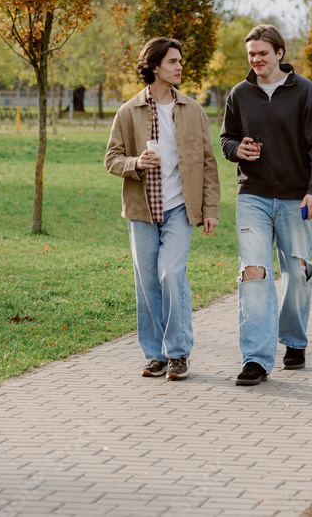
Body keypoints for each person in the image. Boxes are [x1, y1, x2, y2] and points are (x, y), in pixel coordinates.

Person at [220, 24, 312, 386]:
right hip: (252, 194)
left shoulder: (304, 91)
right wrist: (237, 149)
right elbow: (226, 138)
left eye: (262, 53)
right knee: (253, 272)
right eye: (251, 54)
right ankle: (256, 358)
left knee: (298, 273)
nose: (256, 60)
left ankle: (294, 340)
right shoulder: (240, 93)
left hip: (296, 197)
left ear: (279, 53)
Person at [105, 37, 220, 381]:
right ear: (154, 67)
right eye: (173, 61)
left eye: (180, 61)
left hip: (180, 208)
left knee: (171, 273)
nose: (179, 66)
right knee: (147, 283)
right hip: (142, 210)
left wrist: (210, 209)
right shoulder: (128, 112)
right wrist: (136, 163)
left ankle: (178, 352)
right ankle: (155, 355)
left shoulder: (193, 110)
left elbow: (208, 163)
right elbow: (111, 159)